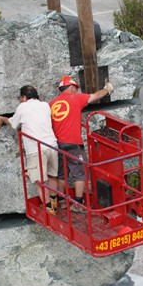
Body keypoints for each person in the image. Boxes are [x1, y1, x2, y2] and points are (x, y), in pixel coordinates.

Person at [49, 76, 113, 212]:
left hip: (57, 143)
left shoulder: (52, 103)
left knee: (61, 174)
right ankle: (78, 203)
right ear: (72, 88)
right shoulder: (76, 98)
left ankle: (62, 201)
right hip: (72, 143)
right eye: (75, 88)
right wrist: (107, 89)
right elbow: (95, 96)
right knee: (80, 173)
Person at [0, 85, 59, 215]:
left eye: (20, 98)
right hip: (52, 145)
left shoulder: (22, 107)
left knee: (39, 182)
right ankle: (55, 204)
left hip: (36, 149)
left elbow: (13, 123)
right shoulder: (45, 105)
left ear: (24, 97)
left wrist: (1, 118)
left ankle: (50, 212)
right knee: (52, 176)